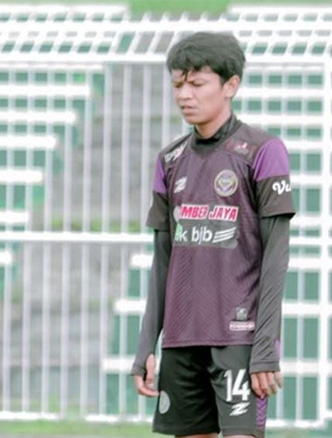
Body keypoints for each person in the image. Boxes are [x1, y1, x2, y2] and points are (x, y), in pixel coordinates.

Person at [131, 32, 295, 438]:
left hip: (238, 340)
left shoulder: (263, 150)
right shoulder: (169, 160)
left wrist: (264, 347)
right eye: (177, 84)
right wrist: (146, 347)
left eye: (197, 83)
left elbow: (276, 257)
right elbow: (163, 260)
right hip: (181, 341)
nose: (185, 94)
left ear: (230, 85)